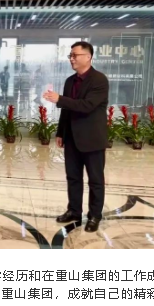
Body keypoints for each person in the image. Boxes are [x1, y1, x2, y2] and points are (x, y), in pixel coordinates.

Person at [44, 41, 109, 233]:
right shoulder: (70, 81)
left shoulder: (99, 80)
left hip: (92, 138)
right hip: (72, 137)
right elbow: (66, 109)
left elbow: (87, 105)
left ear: (88, 57)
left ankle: (94, 215)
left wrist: (60, 99)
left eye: (75, 55)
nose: (72, 59)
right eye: (70, 56)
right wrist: (61, 132)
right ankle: (74, 211)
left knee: (95, 180)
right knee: (73, 177)